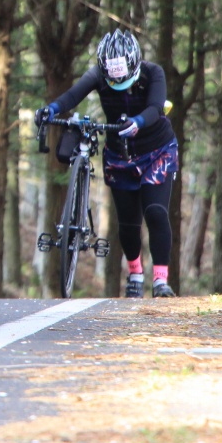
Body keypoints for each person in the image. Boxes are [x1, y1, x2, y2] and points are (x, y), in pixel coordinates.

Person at [34, 29, 179, 298]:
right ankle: (135, 273)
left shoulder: (153, 72)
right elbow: (72, 96)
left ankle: (160, 280)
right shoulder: (98, 75)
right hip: (119, 154)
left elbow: (156, 107)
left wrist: (138, 122)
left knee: (156, 211)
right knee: (128, 222)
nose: (116, 82)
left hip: (157, 150)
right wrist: (51, 109)